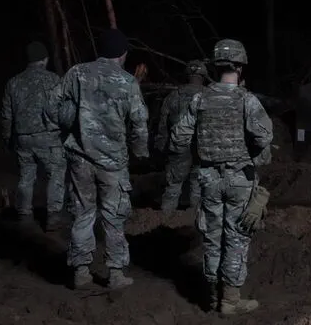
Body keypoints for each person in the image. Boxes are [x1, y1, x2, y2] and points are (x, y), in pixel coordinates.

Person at [170, 39, 272, 314]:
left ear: (215, 67)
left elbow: (178, 137)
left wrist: (199, 152)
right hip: (239, 179)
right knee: (237, 237)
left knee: (212, 237)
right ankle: (230, 300)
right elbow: (264, 136)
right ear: (240, 66)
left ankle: (212, 297)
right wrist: (248, 152)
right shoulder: (246, 100)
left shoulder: (199, 98)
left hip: (208, 179)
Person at [57, 28, 149, 290]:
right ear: (122, 54)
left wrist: (71, 122)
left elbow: (54, 107)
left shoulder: (76, 73)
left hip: (80, 159)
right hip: (113, 163)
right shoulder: (127, 81)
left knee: (82, 213)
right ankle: (116, 274)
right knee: (113, 215)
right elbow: (139, 122)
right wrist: (140, 151)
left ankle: (81, 271)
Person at [0, 41, 66, 231]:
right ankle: (53, 215)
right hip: (49, 138)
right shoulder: (54, 80)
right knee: (56, 173)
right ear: (45, 59)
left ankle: (24, 215)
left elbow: (6, 115)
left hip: (23, 139)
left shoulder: (13, 83)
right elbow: (63, 110)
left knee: (26, 175)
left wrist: (7, 139)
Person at [156, 59, 207, 212]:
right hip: (202, 147)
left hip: (178, 146)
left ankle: (164, 221)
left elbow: (163, 126)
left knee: (173, 186)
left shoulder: (173, 96)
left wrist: (160, 146)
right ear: (203, 75)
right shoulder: (210, 96)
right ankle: (193, 224)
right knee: (197, 186)